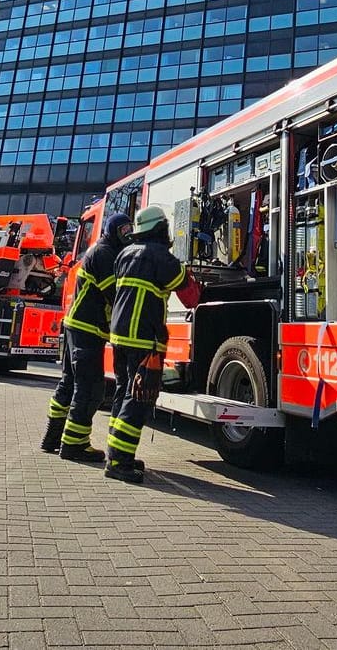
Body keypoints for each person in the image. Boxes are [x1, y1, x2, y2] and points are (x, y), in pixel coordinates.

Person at [105, 204, 201, 484]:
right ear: (162, 228)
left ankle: (116, 453)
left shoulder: (124, 254)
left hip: (119, 338)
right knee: (139, 399)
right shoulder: (163, 258)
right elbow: (191, 298)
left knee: (124, 392)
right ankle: (120, 462)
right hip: (144, 339)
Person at [40, 211, 131, 462]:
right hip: (87, 328)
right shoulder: (104, 253)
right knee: (90, 386)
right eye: (124, 231)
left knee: (68, 384)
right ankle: (74, 445)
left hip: (78, 326)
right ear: (112, 231)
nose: (128, 235)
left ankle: (52, 438)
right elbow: (115, 293)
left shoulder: (101, 251)